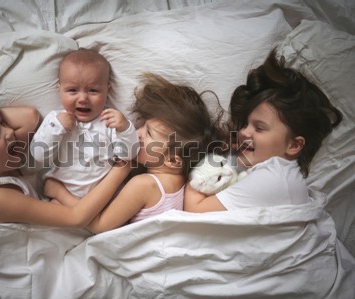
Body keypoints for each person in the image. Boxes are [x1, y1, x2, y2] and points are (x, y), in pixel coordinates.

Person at [50, 73, 226, 234]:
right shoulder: (181, 181)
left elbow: (99, 226)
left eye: (148, 133)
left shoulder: (144, 185)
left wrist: (60, 194)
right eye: (142, 125)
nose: (137, 132)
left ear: (173, 160)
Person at [0, 95, 131, 227]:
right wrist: (121, 170)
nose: (10, 131)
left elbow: (30, 117)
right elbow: (75, 218)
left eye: (2, 123)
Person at [184, 49, 343, 212]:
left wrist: (197, 179)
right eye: (245, 124)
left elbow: (194, 211)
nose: (243, 133)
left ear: (294, 145)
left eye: (259, 128)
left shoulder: (276, 177)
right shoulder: (245, 166)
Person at [30, 48, 139, 203]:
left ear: (107, 91)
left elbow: (127, 155)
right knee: (53, 212)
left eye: (93, 91)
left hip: (104, 195)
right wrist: (57, 127)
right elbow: (38, 155)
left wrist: (125, 128)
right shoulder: (54, 120)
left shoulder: (110, 120)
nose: (82, 98)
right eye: (72, 90)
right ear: (59, 89)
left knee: (125, 202)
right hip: (62, 192)